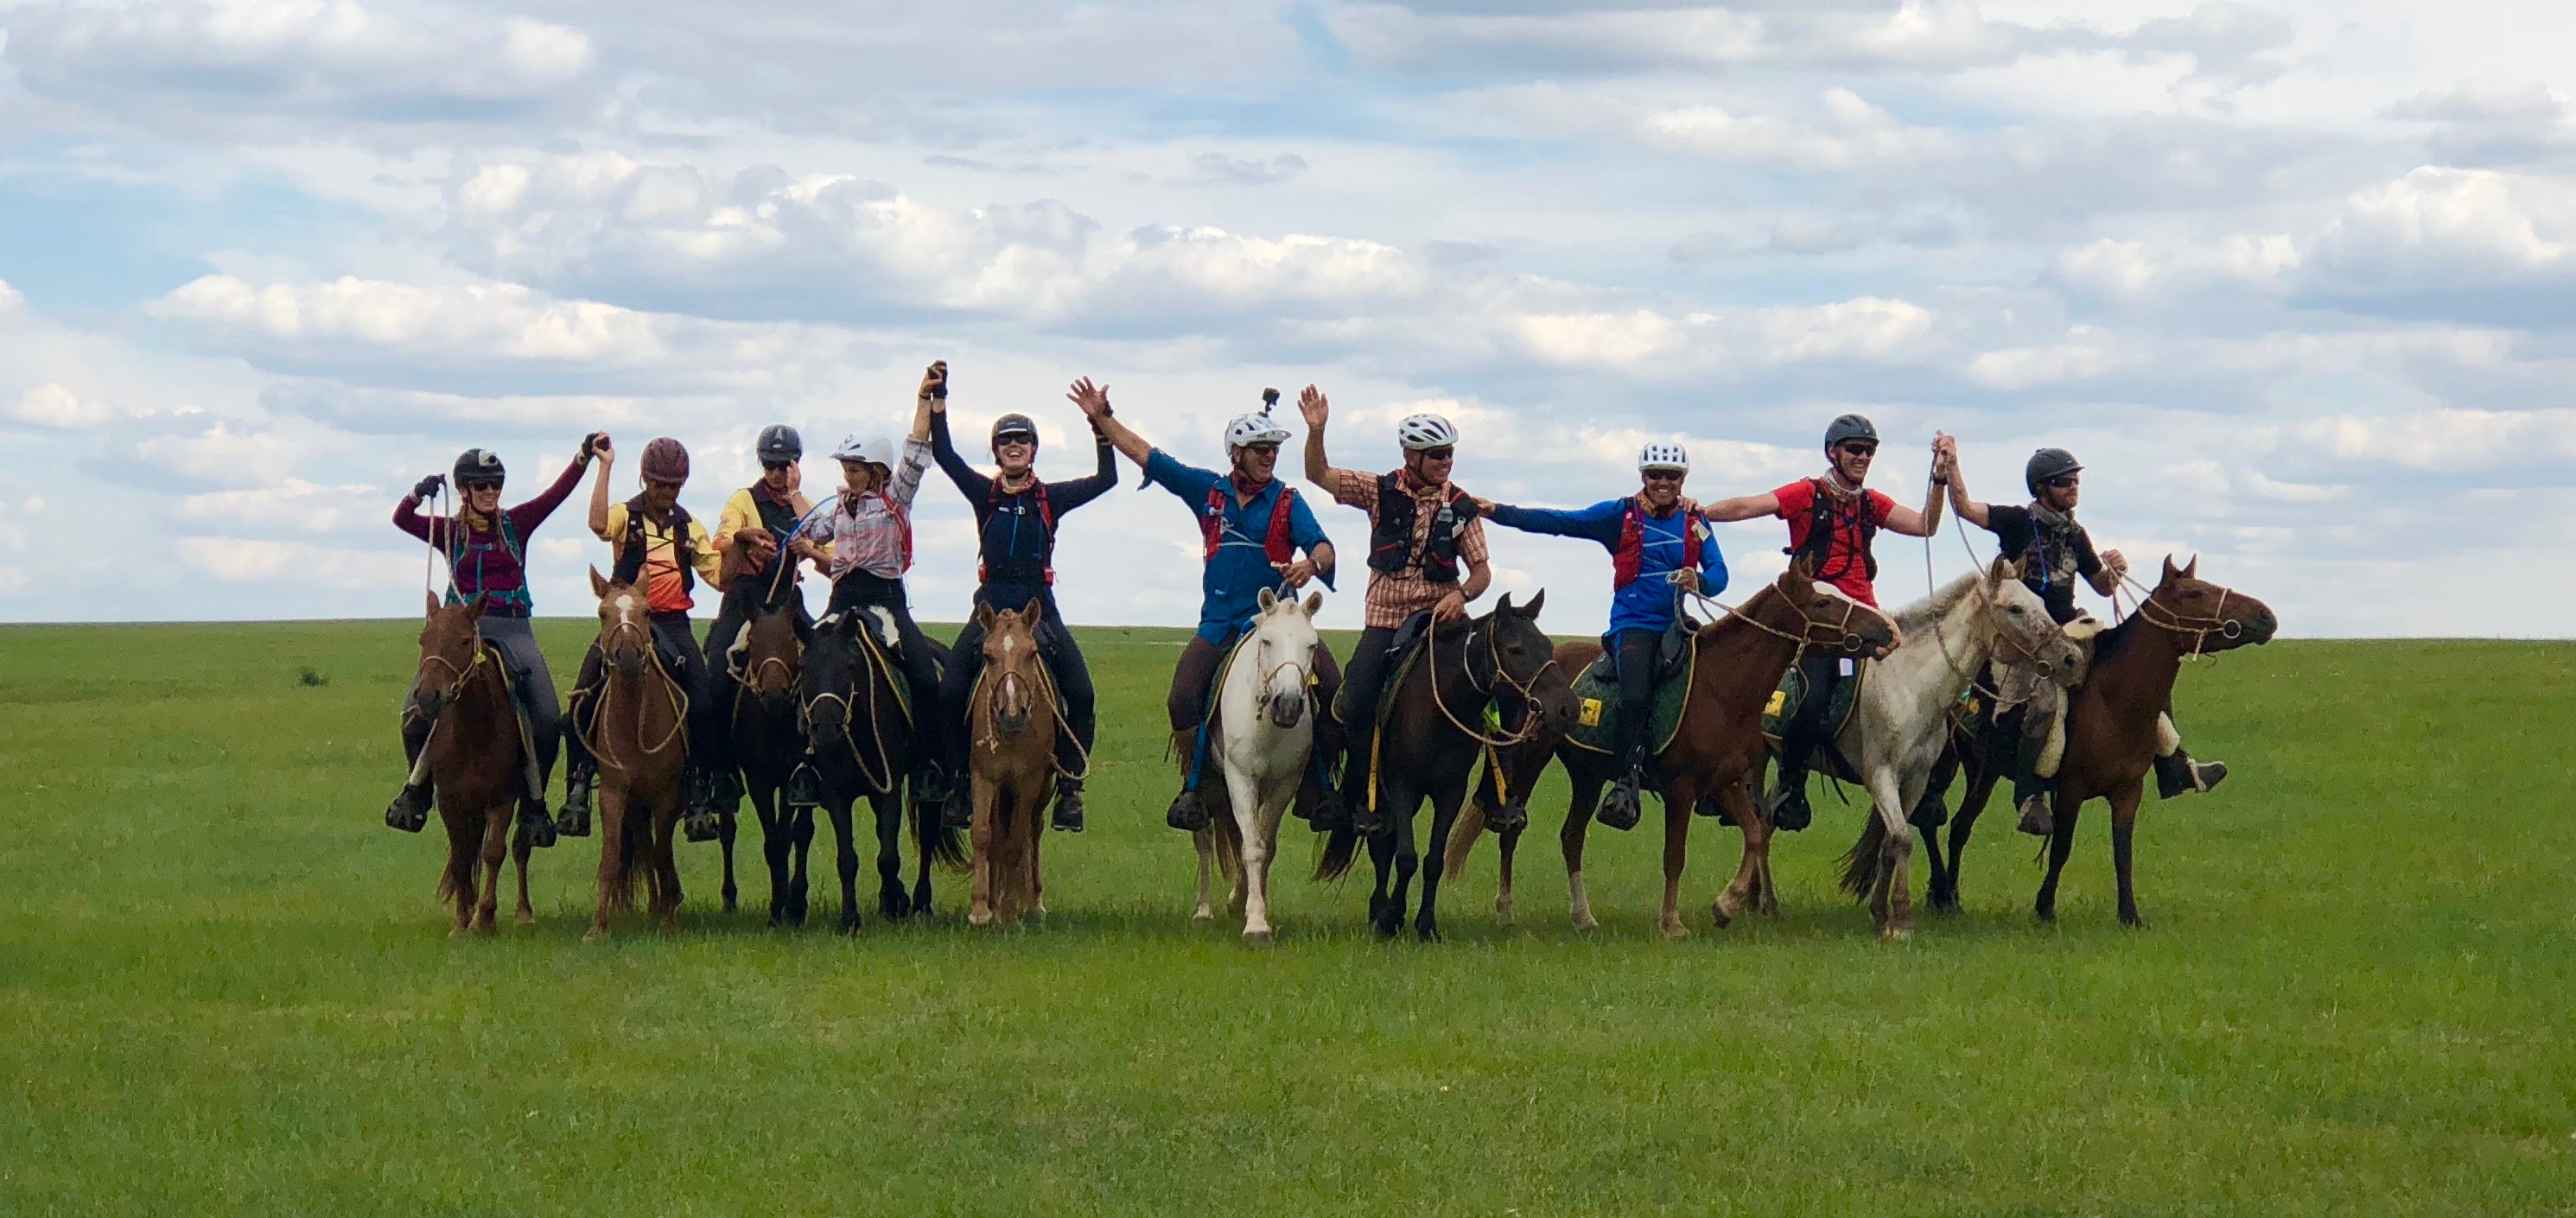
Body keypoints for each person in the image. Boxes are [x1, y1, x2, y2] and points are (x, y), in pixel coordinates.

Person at [1077, 384, 1340, 833]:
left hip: (1276, 624)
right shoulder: (1209, 493)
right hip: (1220, 623)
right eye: (1260, 449)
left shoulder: (1288, 501)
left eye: (1273, 450)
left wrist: (1309, 565)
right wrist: (1103, 417)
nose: (1269, 456)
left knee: (1335, 694)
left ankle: (1320, 790)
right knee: (1182, 696)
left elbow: (1324, 547)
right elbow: (1149, 457)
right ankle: (1196, 787)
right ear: (1236, 453)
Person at [1933, 439, 2227, 835]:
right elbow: (1965, 509)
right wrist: (1951, 464)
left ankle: (2176, 766)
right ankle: (2031, 796)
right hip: (2025, 637)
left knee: (2141, 677)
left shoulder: (2075, 533)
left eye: (2075, 480)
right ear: (2041, 488)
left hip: (2072, 630)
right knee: (2043, 698)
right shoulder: (2017, 520)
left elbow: (2102, 587)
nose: (2074, 487)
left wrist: (2115, 571)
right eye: (2063, 481)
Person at [1698, 414, 1946, 830]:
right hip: (1820, 620)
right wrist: (1701, 511)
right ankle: (1791, 785)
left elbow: (1927, 526)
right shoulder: (1806, 493)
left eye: (1869, 450)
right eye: (1854, 449)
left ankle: (1927, 787)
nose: (1863, 457)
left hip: (1867, 617)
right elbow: (1750, 506)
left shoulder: (1872, 503)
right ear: (1833, 452)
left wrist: (1939, 480)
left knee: (1933, 692)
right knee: (1814, 700)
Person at [1476, 441, 1728, 829]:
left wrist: (1702, 580)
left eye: (1671, 476)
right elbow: (1561, 522)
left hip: (1678, 626)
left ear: (1683, 480)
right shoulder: (1620, 515)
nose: (1663, 482)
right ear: (1642, 477)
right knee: (1637, 693)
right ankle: (1627, 780)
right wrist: (1499, 513)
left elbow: (1720, 574)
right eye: (1655, 475)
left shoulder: (1696, 522)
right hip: (1633, 626)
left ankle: (1714, 778)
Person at [926, 367, 1118, 833]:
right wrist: (939, 402)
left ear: (1034, 450)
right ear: (996, 450)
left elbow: (1106, 479)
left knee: (1082, 694)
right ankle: (956, 785)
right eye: (1005, 441)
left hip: (1038, 612)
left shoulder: (1051, 498)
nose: (1014, 446)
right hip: (989, 610)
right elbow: (945, 455)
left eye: (1022, 441)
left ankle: (1070, 790)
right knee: (950, 692)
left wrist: (1101, 424)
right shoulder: (985, 496)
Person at [385, 437, 601, 847]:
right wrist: (417, 493)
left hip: (513, 628)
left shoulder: (516, 524)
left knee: (546, 715)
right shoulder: (448, 532)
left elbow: (555, 495)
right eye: (480, 485)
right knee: (414, 709)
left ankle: (535, 805)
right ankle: (417, 790)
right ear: (463, 490)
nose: (490, 492)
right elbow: (401, 519)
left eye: (495, 485)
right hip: (463, 631)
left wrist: (583, 456)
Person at [1299, 388, 1491, 832]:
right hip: (1385, 621)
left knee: (1495, 689)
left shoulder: (1461, 506)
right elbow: (1319, 473)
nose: (1446, 462)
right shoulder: (1379, 490)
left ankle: (1500, 791)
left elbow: (1482, 571)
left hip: (1441, 623)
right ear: (1412, 456)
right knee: (1353, 700)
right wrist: (1317, 430)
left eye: (1450, 454)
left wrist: (1459, 595)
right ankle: (1362, 794)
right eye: (1438, 454)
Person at [789, 363, 949, 800]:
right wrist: (793, 497)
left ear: (877, 469)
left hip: (885, 603)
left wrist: (923, 401)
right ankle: (805, 763)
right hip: (840, 604)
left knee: (923, 673)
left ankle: (932, 766)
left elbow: (917, 450)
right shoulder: (841, 507)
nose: (848, 474)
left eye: (856, 467)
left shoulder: (895, 497)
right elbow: (813, 528)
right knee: (804, 666)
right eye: (846, 467)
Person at [562, 435, 728, 842]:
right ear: (644, 479)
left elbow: (719, 576)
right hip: (625, 621)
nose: (666, 493)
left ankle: (698, 789)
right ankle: (579, 788)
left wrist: (741, 548)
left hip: (672, 625)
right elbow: (599, 524)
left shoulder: (690, 527)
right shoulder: (626, 515)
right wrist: (604, 466)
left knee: (704, 703)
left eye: (673, 486)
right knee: (581, 698)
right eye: (659, 484)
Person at [700, 423, 816, 820]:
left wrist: (810, 545)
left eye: (784, 465)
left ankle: (811, 764)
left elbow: (824, 537)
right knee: (715, 671)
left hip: (788, 603)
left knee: (824, 663)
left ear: (796, 465)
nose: (777, 473)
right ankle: (720, 771)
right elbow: (725, 536)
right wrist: (745, 538)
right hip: (745, 602)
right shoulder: (743, 499)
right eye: (770, 465)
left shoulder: (802, 504)